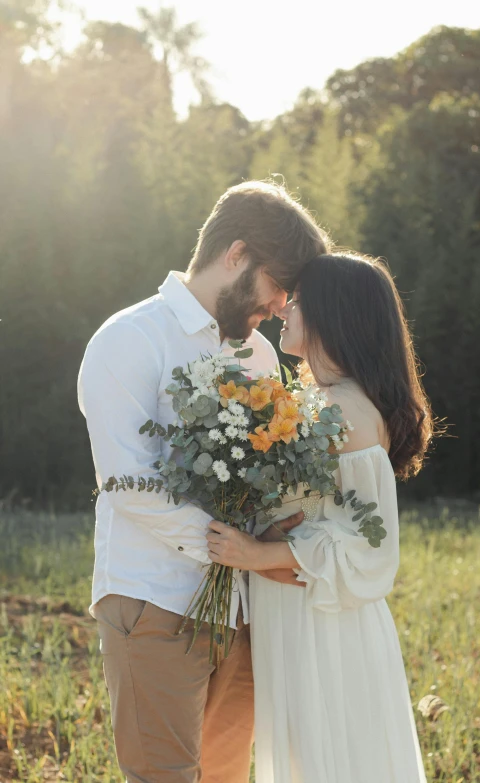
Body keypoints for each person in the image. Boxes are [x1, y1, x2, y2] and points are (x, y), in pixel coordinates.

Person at [77, 180, 328, 783]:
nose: (277, 309)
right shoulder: (127, 339)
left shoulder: (261, 357)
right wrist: (227, 546)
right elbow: (128, 483)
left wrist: (272, 536)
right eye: (277, 289)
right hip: (154, 600)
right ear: (236, 254)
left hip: (242, 612)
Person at [206, 252, 432, 783]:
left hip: (327, 630)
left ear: (334, 313)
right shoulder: (316, 400)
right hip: (296, 619)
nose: (283, 308)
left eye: (299, 300)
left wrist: (257, 554)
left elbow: (368, 551)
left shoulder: (346, 411)